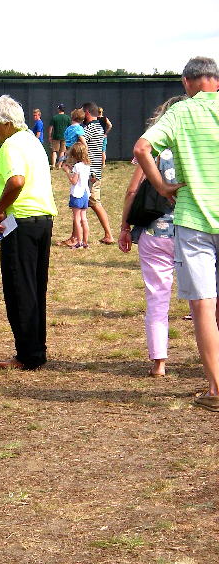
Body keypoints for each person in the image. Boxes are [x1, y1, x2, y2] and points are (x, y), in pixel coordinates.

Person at [133, 56, 219, 410]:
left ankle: (216, 390)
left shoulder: (180, 112)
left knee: (203, 305)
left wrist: (161, 186)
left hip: (194, 220)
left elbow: (142, 148)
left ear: (187, 82)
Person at [0, 95, 57, 370]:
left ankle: (27, 354)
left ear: (6, 122)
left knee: (19, 289)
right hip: (42, 219)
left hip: (21, 222)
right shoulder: (32, 141)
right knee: (35, 287)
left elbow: (16, 181)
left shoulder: (11, 145)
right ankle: (36, 350)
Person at [119, 96, 186, 377]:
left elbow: (133, 190)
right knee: (208, 297)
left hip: (155, 232)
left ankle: (159, 361)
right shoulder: (196, 149)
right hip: (193, 230)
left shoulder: (154, 150)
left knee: (157, 296)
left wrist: (125, 226)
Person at [83, 101, 115, 245]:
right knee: (91, 203)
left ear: (87, 113)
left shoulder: (90, 128)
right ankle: (108, 234)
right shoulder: (99, 126)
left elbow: (80, 143)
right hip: (95, 170)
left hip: (90, 172)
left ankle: (107, 234)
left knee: (87, 204)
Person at [63, 141, 91, 249]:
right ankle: (85, 242)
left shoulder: (77, 166)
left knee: (77, 219)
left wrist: (67, 172)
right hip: (85, 194)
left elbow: (74, 181)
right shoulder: (86, 165)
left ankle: (78, 242)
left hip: (77, 194)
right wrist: (71, 169)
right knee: (84, 219)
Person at [48, 103, 71, 169]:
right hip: (64, 137)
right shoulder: (67, 118)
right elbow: (70, 128)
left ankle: (53, 164)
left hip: (56, 136)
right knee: (62, 151)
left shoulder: (55, 117)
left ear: (58, 109)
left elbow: (51, 128)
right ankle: (59, 165)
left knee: (54, 151)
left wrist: (49, 136)